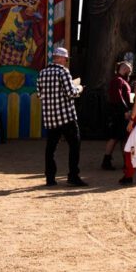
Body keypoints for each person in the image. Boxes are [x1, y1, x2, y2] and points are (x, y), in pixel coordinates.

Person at [36, 47, 87, 187]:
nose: (66, 61)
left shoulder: (42, 73)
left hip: (50, 117)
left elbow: (39, 95)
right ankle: (73, 176)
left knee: (50, 148)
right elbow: (71, 93)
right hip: (66, 117)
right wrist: (80, 88)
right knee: (74, 145)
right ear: (62, 58)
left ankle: (50, 178)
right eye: (65, 59)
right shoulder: (63, 72)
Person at [103, 61, 132, 170]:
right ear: (124, 69)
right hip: (119, 114)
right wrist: (125, 111)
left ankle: (110, 161)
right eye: (129, 69)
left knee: (117, 137)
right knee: (118, 137)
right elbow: (118, 97)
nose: (130, 72)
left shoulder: (121, 80)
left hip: (119, 113)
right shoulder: (118, 81)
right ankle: (123, 161)